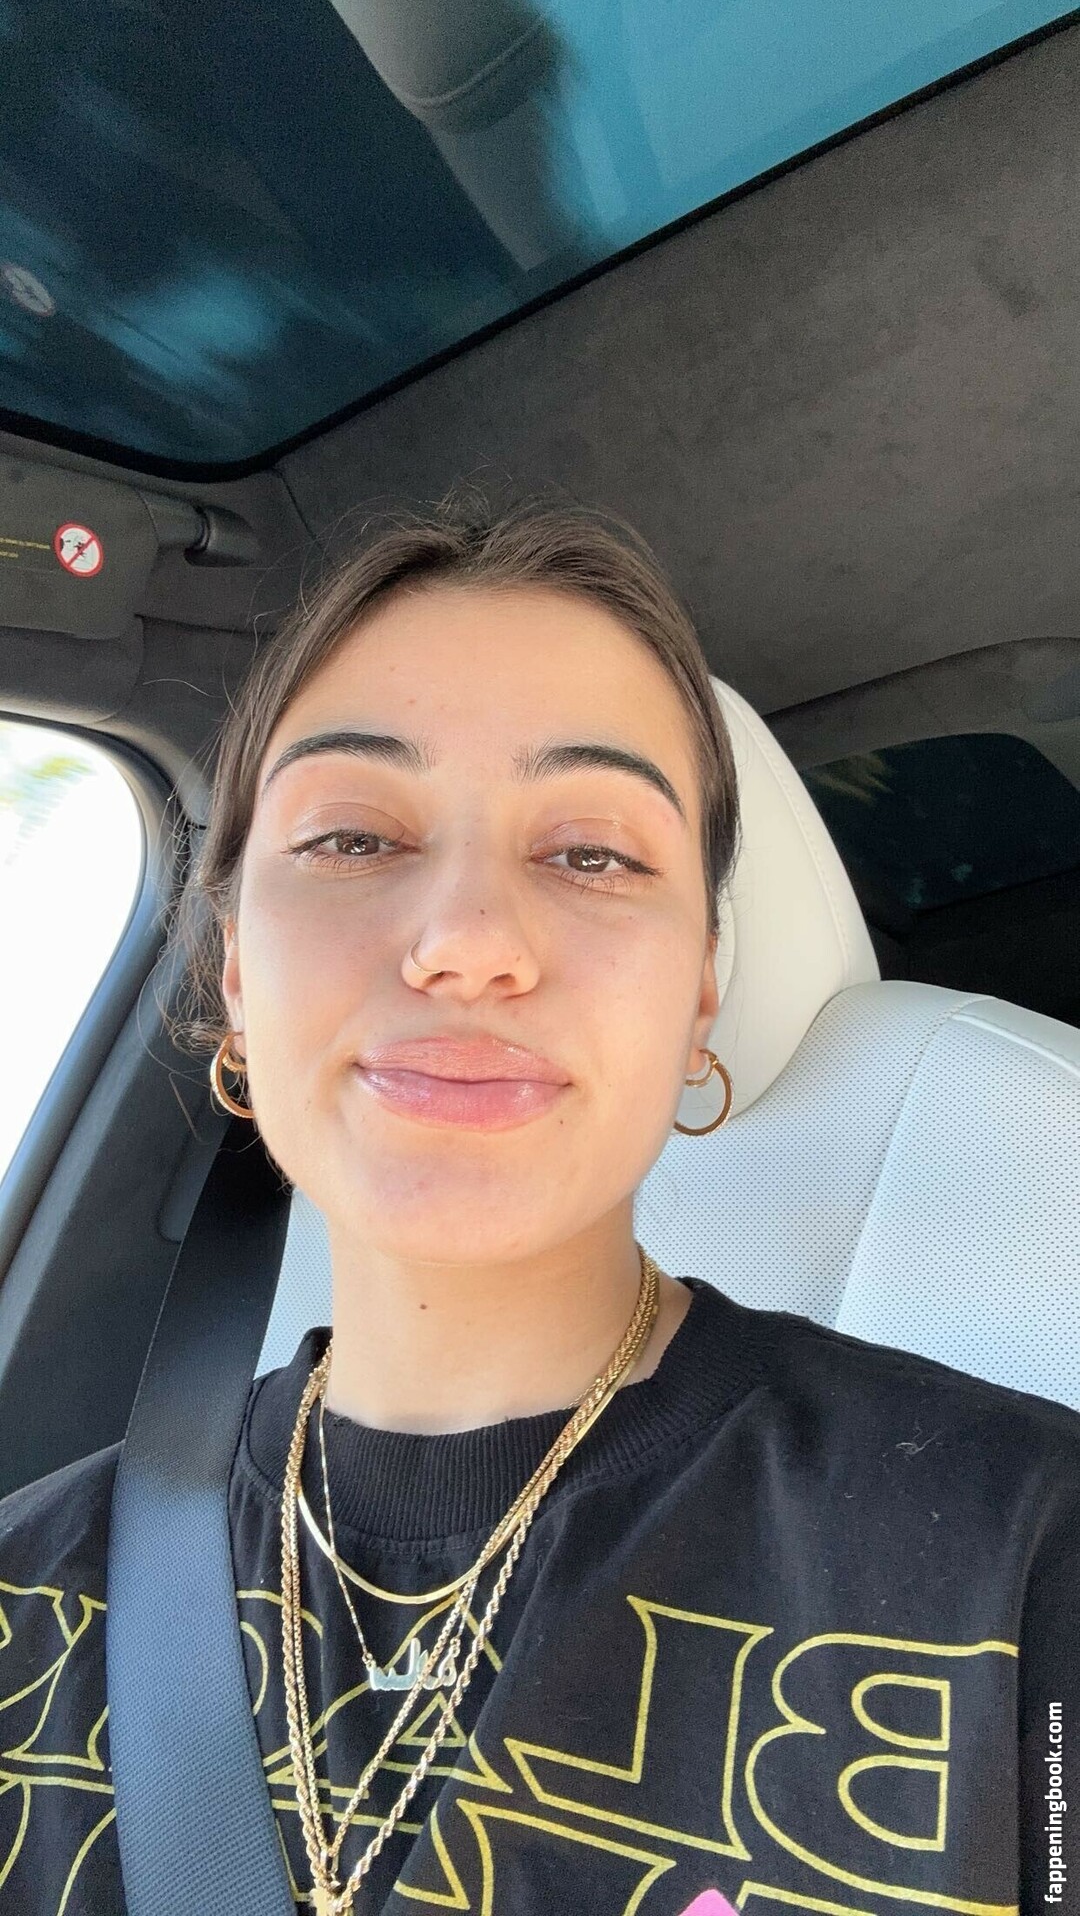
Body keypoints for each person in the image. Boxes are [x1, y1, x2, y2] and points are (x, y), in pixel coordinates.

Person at [0, 495, 1076, 1916]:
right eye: (353, 838)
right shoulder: (24, 1597)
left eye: (592, 855)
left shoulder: (1029, 1562)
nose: (467, 943)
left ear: (700, 988)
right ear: (238, 972)